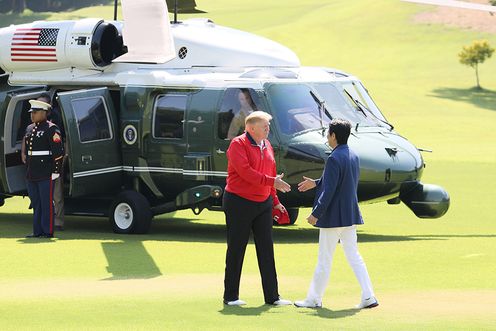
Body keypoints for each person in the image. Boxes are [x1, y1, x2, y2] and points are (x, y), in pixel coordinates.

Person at [294, 119, 378, 309]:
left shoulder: (333, 158)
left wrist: (316, 213)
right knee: (354, 256)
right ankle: (368, 296)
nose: (327, 137)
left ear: (333, 135)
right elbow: (336, 181)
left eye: (328, 134)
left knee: (324, 259)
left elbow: (330, 189)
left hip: (333, 218)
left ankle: (313, 299)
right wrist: (316, 183)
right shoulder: (352, 155)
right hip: (349, 216)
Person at [223, 111, 292, 306]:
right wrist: (272, 182)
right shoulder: (238, 144)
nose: (268, 129)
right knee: (236, 249)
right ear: (251, 128)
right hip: (239, 202)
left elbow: (270, 172)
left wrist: (275, 200)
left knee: (266, 249)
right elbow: (246, 173)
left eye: (268, 126)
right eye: (265, 126)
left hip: (263, 203)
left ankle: (273, 297)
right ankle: (230, 297)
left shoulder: (267, 144)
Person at [24, 99, 64, 238]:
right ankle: (37, 231)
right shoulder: (30, 128)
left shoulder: (51, 128)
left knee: (46, 204)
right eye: (31, 112)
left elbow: (58, 153)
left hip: (46, 173)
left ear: (44, 113)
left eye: (35, 112)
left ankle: (47, 231)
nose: (32, 115)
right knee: (36, 203)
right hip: (32, 173)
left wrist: (55, 172)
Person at [38, 93, 66, 231]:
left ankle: (58, 221)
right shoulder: (35, 122)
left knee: (56, 191)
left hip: (53, 160)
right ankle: (43, 220)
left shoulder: (55, 121)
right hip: (40, 163)